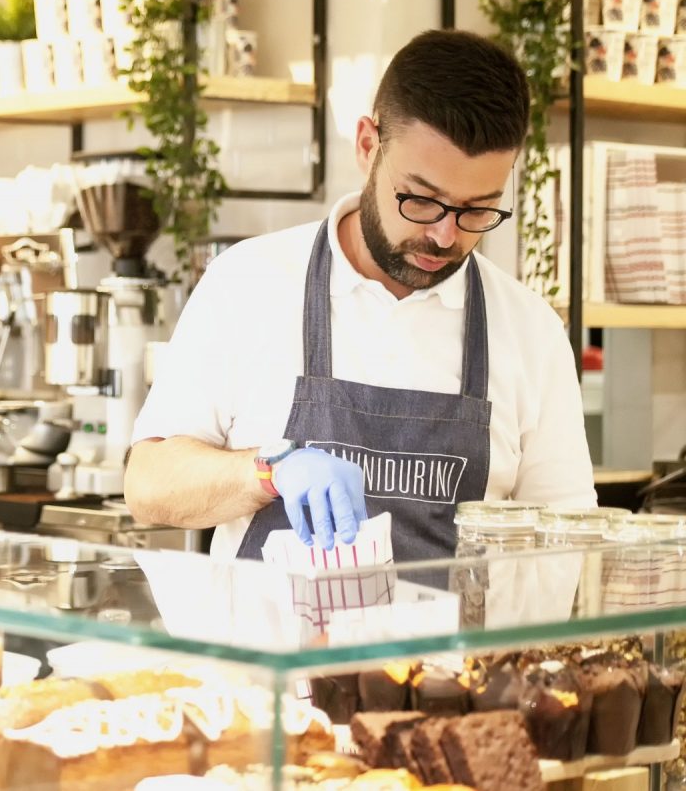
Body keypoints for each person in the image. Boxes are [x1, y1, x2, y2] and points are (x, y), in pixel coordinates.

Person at [125, 30, 596, 562]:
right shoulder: (247, 283)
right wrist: (267, 471)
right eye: (421, 199)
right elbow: (149, 484)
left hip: (456, 621)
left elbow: (568, 542)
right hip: (273, 620)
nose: (445, 236)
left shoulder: (531, 331)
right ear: (368, 146)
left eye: (477, 209)